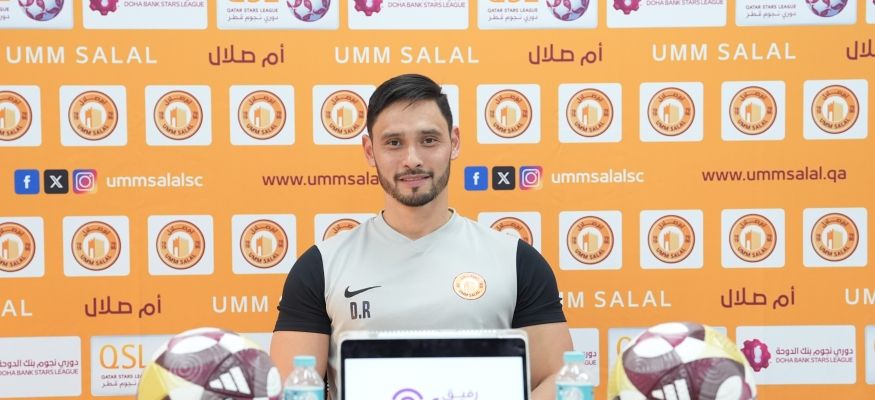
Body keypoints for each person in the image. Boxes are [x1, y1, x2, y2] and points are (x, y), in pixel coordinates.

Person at [270, 73, 572, 399]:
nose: (412, 159)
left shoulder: (514, 259)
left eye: (428, 140)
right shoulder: (322, 265)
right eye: (394, 143)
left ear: (454, 142)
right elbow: (289, 389)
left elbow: (557, 378)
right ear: (369, 150)